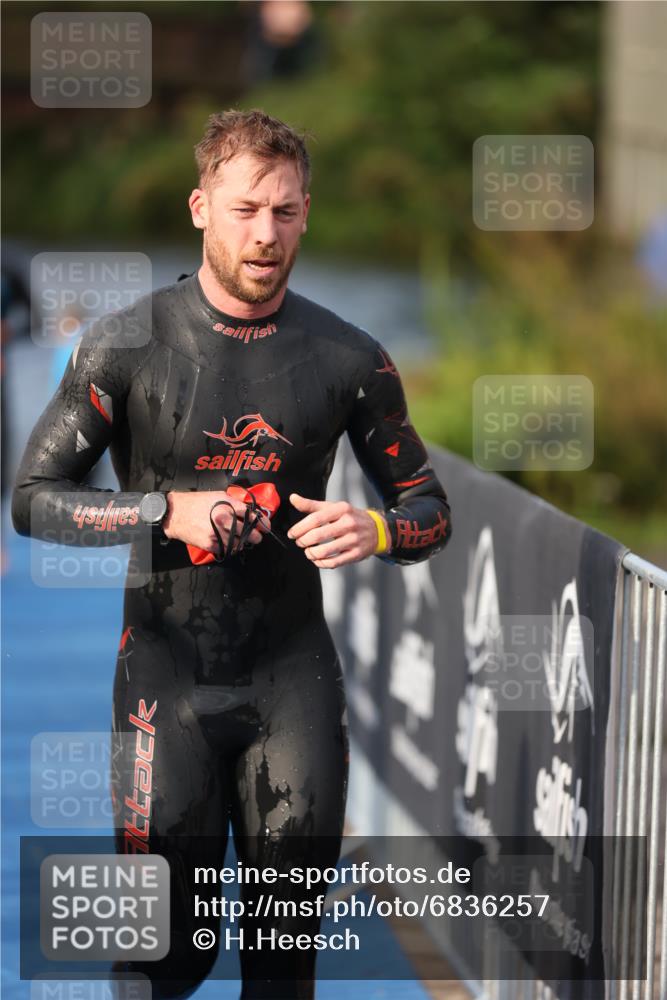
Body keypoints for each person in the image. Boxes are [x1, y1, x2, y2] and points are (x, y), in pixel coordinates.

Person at [12, 109, 452, 999]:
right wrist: (165, 510)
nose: (266, 235)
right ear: (199, 207)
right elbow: (32, 501)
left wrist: (374, 531)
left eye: (286, 213)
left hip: (291, 682)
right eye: (246, 209)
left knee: (283, 962)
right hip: (161, 685)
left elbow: (427, 509)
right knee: (163, 956)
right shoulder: (125, 345)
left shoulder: (348, 357)